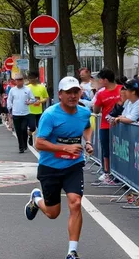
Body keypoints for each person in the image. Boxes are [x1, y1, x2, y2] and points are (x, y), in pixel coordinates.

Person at [24, 77, 94, 259]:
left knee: (76, 203)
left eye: (76, 92)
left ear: (80, 93)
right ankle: (36, 199)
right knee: (53, 213)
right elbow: (39, 143)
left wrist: (88, 142)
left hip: (73, 165)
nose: (72, 96)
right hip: (50, 167)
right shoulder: (50, 115)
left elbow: (87, 127)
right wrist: (65, 147)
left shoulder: (84, 113)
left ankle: (72, 251)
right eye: (68, 92)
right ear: (60, 95)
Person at [92, 68, 121, 184]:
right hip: (105, 125)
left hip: (120, 126)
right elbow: (96, 110)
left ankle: (119, 174)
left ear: (105, 80)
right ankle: (107, 172)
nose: (99, 82)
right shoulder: (101, 93)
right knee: (106, 149)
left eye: (100, 80)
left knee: (120, 151)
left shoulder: (121, 89)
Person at [7, 73, 37, 153]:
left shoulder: (27, 89)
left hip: (25, 113)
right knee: (18, 130)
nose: (19, 82)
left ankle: (25, 142)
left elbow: (33, 99)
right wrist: (9, 109)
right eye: (17, 80)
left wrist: (29, 102)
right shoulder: (12, 90)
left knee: (24, 129)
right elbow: (9, 100)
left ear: (23, 81)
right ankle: (21, 146)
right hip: (16, 113)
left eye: (21, 80)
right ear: (15, 81)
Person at [27, 70, 49, 147]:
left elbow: (46, 98)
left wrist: (40, 101)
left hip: (39, 111)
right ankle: (29, 135)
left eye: (34, 78)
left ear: (37, 78)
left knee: (40, 127)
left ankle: (39, 142)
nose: (32, 80)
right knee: (32, 127)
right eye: (31, 78)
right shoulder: (27, 88)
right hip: (30, 111)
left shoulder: (42, 87)